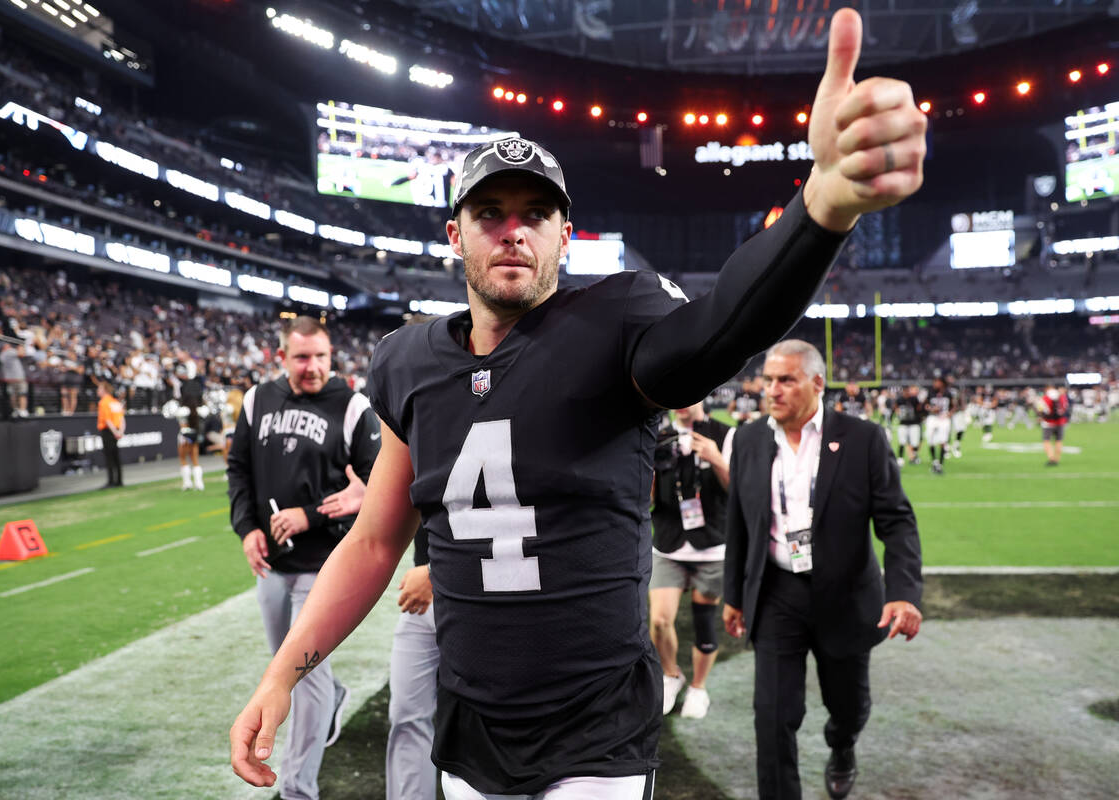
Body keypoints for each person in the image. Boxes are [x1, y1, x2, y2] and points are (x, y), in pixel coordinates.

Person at [231, 10, 927, 798]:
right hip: (471, 733)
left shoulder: (617, 321)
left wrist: (821, 208)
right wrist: (282, 675)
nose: (513, 233)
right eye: (490, 215)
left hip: (594, 738)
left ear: (567, 234)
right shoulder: (408, 360)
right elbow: (372, 542)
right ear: (453, 234)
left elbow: (719, 329)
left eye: (536, 215)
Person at [722, 340, 923, 800]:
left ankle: (843, 744)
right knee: (772, 717)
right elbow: (739, 522)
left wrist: (904, 591)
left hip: (846, 595)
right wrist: (734, 594)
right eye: (768, 380)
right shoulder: (749, 438)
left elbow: (896, 521)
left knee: (848, 707)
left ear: (817, 383)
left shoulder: (863, 438)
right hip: (776, 594)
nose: (772, 390)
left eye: (786, 380)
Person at [226, 316, 381, 800]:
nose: (312, 367)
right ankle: (334, 698)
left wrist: (312, 515)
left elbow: (377, 489)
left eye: (320, 357)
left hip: (327, 565)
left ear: (331, 356)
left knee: (304, 675)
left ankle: (298, 789)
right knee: (282, 668)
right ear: (281, 358)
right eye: (302, 357)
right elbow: (238, 469)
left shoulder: (354, 408)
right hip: (273, 564)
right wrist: (246, 528)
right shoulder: (257, 400)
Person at [650, 402, 733, 720]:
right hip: (669, 544)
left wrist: (715, 459)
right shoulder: (657, 435)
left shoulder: (725, 435)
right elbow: (648, 500)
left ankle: (699, 687)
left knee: (704, 624)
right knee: (659, 621)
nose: (683, 403)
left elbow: (738, 491)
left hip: (712, 545)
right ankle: (671, 675)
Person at [386, 526, 439, 800]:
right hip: (422, 600)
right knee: (406, 714)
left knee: (491, 722)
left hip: (491, 598)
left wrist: (436, 572)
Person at [96, 381, 125, 488]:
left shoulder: (103, 402)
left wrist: (115, 432)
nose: (97, 391)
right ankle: (119, 480)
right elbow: (122, 419)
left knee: (109, 457)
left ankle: (111, 481)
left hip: (108, 431)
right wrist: (120, 432)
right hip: (116, 431)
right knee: (116, 456)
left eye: (99, 389)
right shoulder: (116, 402)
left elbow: (107, 420)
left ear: (104, 390)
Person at [924, 377, 952, 474]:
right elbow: (925, 405)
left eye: (937, 382)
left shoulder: (948, 393)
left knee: (943, 441)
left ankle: (940, 463)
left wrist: (949, 414)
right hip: (933, 417)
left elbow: (954, 406)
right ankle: (935, 461)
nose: (935, 384)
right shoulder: (930, 392)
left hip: (944, 419)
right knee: (930, 440)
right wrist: (931, 409)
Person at [1038, 383, 1069, 466]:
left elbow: (1041, 409)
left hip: (1048, 423)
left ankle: (1051, 458)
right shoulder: (1062, 397)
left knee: (1046, 441)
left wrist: (1040, 417)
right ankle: (1057, 459)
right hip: (1060, 422)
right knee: (1058, 441)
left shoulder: (1045, 398)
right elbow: (1065, 408)